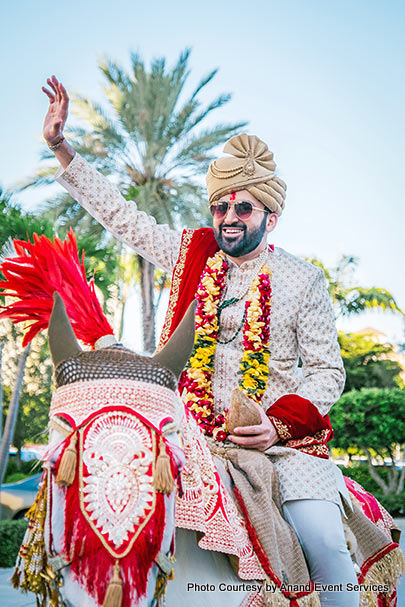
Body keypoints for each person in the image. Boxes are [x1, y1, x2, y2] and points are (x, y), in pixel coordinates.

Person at [40, 76, 400, 607]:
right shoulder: (191, 255)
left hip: (280, 447)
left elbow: (328, 373)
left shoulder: (304, 279)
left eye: (243, 208)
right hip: (192, 438)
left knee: (324, 543)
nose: (228, 218)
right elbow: (124, 219)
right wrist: (61, 148)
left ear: (270, 217)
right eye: (220, 207)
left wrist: (274, 424)